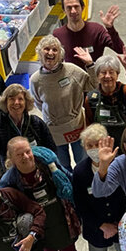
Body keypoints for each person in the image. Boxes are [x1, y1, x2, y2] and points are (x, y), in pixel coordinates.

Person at [0, 137, 88, 251]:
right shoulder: (10, 180)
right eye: (19, 155)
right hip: (38, 223)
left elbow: (67, 178)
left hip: (60, 216)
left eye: (27, 151)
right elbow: (1, 198)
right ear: (11, 159)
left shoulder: (48, 164)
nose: (26, 156)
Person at [29, 35, 96, 169]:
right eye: (46, 49)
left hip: (76, 125)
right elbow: (38, 103)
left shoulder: (72, 70)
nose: (50, 53)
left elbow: (93, 84)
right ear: (39, 52)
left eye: (55, 50)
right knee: (62, 165)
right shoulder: (35, 80)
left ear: (60, 54)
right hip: (54, 129)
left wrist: (90, 65)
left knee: (82, 162)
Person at [52, 0, 125, 69]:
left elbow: (120, 49)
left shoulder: (97, 30)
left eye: (76, 7)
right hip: (71, 78)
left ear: (82, 8)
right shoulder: (58, 35)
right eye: (69, 8)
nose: (73, 11)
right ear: (64, 11)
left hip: (95, 76)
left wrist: (110, 28)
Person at [84, 48, 126, 142]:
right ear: (97, 76)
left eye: (111, 72)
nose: (107, 76)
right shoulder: (90, 98)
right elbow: (89, 124)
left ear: (117, 75)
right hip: (103, 143)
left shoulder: (125, 91)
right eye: (103, 72)